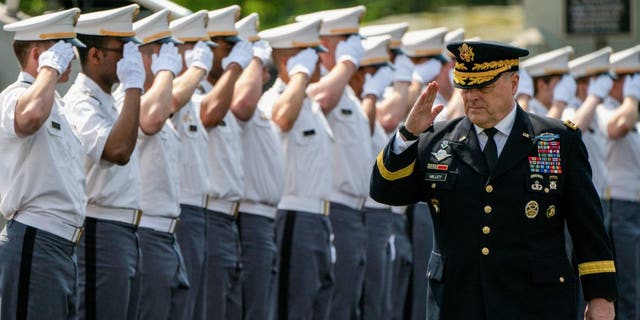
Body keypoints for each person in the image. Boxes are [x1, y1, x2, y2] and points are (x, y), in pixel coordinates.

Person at [370, 40, 618, 319]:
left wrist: (601, 297)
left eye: (483, 86)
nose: (472, 96)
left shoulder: (557, 140)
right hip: (458, 302)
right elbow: (385, 192)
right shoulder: (436, 140)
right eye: (465, 86)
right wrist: (407, 136)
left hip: (535, 302)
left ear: (514, 83)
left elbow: (588, 228)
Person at [0, 8, 87, 320]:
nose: (71, 59)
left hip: (63, 245)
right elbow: (28, 118)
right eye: (62, 49)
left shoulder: (57, 105)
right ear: (37, 54)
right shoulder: (16, 95)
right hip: (35, 238)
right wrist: (48, 69)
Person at [62, 5, 144, 319]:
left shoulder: (109, 101)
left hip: (123, 228)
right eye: (122, 50)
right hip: (100, 227)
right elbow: (119, 151)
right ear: (95, 55)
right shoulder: (81, 103)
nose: (130, 58)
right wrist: (134, 85)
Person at [296, 6, 371, 319]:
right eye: (347, 38)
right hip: (336, 208)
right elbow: (320, 99)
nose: (355, 45)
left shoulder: (346, 88)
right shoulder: (328, 83)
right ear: (327, 43)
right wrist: (347, 62)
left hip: (354, 211)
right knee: (334, 302)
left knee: (347, 301)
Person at [115, 9, 190, 318]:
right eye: (161, 54)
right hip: (145, 233)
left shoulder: (153, 98)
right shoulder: (128, 99)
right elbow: (151, 119)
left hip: (167, 234)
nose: (172, 62)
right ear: (144, 57)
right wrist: (167, 73)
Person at [258, 18, 334, 319]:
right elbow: (281, 119)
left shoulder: (309, 103)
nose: (319, 61)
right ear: (292, 61)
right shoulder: (276, 98)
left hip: (318, 218)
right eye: (311, 55)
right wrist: (298, 75)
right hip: (293, 216)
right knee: (293, 306)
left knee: (316, 302)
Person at [200, 5, 253, 319]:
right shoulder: (199, 93)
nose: (236, 54)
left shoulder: (221, 94)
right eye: (229, 46)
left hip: (229, 221)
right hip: (209, 216)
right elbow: (209, 113)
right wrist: (235, 68)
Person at [232, 12, 283, 320]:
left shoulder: (258, 106)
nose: (265, 71)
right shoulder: (245, 102)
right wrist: (252, 58)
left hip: (264, 218)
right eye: (259, 66)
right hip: (249, 218)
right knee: (249, 306)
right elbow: (243, 105)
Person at [168, 10, 214, 320]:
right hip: (180, 212)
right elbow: (170, 100)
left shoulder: (196, 95)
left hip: (197, 212)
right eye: (194, 46)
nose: (203, 54)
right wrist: (196, 67)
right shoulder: (171, 91)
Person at [348, 34, 394, 320]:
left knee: (380, 302)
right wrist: (372, 94)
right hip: (358, 212)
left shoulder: (363, 107)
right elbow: (361, 131)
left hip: (377, 214)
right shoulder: (357, 106)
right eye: (369, 74)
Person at [600, 45, 640, 320]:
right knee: (626, 284)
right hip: (620, 207)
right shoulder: (604, 108)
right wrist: (632, 98)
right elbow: (616, 128)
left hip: (635, 204)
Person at [521, 46, 576, 118]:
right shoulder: (529, 113)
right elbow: (543, 128)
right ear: (542, 85)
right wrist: (559, 103)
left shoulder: (564, 112)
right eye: (559, 82)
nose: (564, 87)